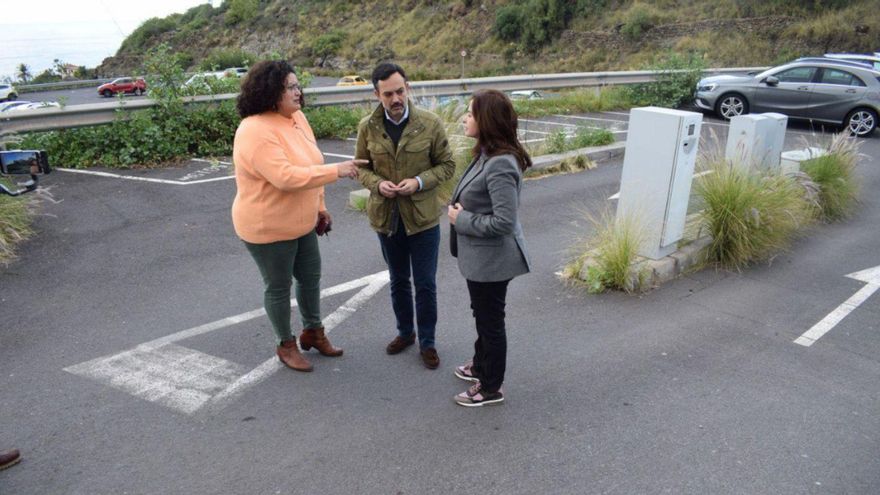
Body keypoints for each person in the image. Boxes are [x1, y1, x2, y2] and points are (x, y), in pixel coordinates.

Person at [232, 60, 366, 372]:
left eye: (297, 85)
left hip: (302, 221)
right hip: (268, 226)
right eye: (290, 87)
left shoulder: (296, 117)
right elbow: (286, 177)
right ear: (271, 93)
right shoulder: (254, 130)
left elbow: (311, 163)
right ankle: (286, 344)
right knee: (278, 287)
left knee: (310, 277)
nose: (298, 91)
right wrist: (338, 170)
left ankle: (313, 332)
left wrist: (320, 206)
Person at [355, 62, 456, 369]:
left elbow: (447, 165)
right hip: (387, 218)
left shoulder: (430, 123)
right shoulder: (367, 127)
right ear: (377, 94)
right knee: (398, 280)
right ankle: (405, 333)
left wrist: (419, 182)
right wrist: (376, 184)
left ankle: (428, 342)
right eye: (388, 94)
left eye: (400, 91)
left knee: (425, 283)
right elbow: (361, 167)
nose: (396, 99)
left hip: (422, 218)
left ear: (407, 88)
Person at [447, 89, 532, 407]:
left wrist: (461, 218)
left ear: (488, 120)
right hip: (481, 258)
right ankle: (481, 366)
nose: (465, 118)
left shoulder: (500, 164)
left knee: (490, 321)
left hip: (493, 260)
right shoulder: (485, 153)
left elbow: (504, 222)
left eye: (471, 113)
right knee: (483, 315)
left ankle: (491, 386)